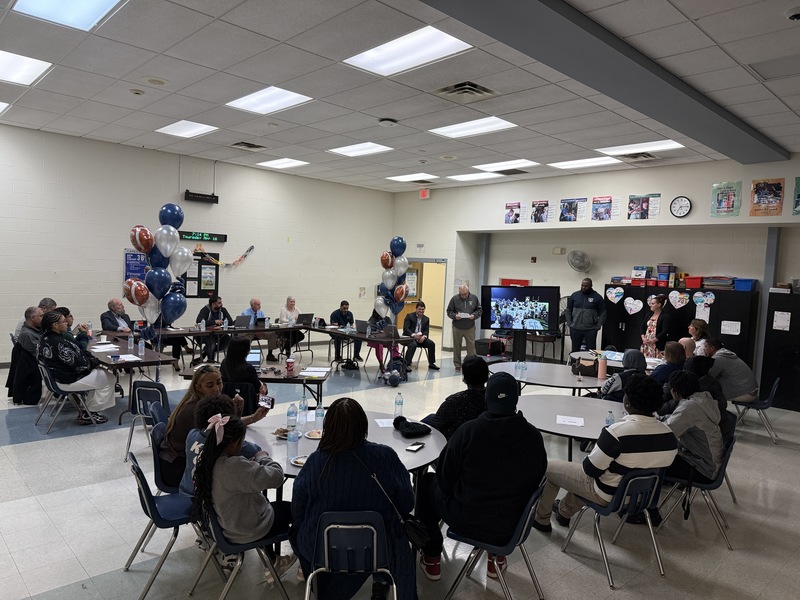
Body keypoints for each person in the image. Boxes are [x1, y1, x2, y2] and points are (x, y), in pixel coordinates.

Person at [416, 372, 546, 582]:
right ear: (516, 400)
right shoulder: (533, 436)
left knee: (426, 485)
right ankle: (497, 557)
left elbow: (444, 478)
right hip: (511, 525)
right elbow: (537, 478)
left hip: (467, 521)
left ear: (487, 398)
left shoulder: (468, 432)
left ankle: (431, 557)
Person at [290, 398, 417, 600]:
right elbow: (406, 503)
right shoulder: (385, 456)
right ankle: (381, 581)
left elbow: (297, 508)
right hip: (379, 548)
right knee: (389, 527)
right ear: (363, 426)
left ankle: (321, 584)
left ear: (328, 427)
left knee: (296, 530)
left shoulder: (316, 462)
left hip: (323, 547)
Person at [533, 374, 678, 531]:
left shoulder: (617, 433)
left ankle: (541, 520)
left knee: (550, 468)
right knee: (601, 473)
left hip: (609, 496)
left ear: (627, 402)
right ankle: (564, 512)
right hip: (642, 498)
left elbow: (589, 470)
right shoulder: (669, 436)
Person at [192, 416, 296, 579]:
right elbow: (276, 477)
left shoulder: (207, 460)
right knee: (296, 510)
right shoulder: (234, 467)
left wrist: (249, 465)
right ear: (234, 443)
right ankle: (304, 564)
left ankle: (272, 561)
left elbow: (236, 477)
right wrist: (263, 457)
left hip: (224, 526)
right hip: (246, 530)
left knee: (267, 504)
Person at [159, 365, 267, 488]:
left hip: (179, 460)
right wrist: (246, 416)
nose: (217, 389)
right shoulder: (198, 410)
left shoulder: (200, 403)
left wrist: (251, 416)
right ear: (198, 387)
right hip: (177, 468)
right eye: (210, 385)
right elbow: (225, 433)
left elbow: (224, 425)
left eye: (219, 382)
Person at [36, 310, 116, 425]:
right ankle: (90, 412)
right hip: (66, 380)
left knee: (101, 375)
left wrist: (90, 360)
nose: (67, 324)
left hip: (55, 379)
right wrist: (95, 361)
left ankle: (88, 410)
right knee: (109, 378)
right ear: (55, 325)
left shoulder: (44, 338)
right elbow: (82, 366)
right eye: (64, 322)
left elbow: (78, 357)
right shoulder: (59, 342)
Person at [180, 393, 266, 497]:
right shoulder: (229, 445)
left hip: (186, 493)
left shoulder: (192, 435)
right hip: (211, 504)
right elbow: (256, 450)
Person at [662, 371, 724, 482]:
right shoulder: (704, 400)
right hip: (710, 464)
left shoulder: (689, 408)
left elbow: (665, 434)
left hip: (702, 469)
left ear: (675, 392)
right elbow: (674, 420)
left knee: (653, 459)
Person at [421, 355, 488, 439]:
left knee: (427, 421)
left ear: (465, 378)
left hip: (453, 442)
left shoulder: (455, 401)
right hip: (480, 440)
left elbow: (436, 425)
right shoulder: (493, 400)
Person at [705, 338, 758, 402]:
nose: (704, 349)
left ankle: (714, 411)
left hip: (746, 394)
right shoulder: (726, 354)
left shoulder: (718, 358)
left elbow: (708, 376)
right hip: (751, 390)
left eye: (705, 347)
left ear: (712, 348)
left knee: (707, 393)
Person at [220, 335, 268, 406]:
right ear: (246, 351)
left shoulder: (224, 363)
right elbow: (259, 390)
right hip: (249, 404)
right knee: (264, 388)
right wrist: (263, 384)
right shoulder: (249, 369)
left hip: (228, 404)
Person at [565, 278, 606, 354]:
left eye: (586, 286)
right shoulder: (574, 296)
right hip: (575, 328)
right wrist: (569, 323)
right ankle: (574, 365)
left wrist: (598, 325)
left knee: (591, 351)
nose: (583, 287)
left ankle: (591, 365)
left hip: (590, 329)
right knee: (575, 350)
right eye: (582, 285)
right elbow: (568, 310)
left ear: (591, 286)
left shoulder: (597, 297)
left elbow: (603, 313)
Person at [446, 284, 482, 371]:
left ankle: (471, 365)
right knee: (457, 346)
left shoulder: (474, 298)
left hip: (470, 327)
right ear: (459, 292)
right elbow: (449, 311)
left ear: (468, 292)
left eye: (465, 294)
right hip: (457, 327)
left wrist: (474, 315)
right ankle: (457, 364)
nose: (463, 296)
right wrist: (454, 316)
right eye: (461, 294)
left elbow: (479, 310)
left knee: (471, 348)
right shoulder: (454, 299)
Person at [196, 295, 234, 362]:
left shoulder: (223, 310)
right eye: (219, 303)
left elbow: (230, 321)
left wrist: (222, 324)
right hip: (205, 334)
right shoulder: (205, 310)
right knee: (211, 342)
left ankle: (206, 351)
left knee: (229, 340)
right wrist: (214, 322)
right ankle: (211, 361)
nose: (222, 304)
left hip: (218, 333)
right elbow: (199, 321)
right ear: (213, 305)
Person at [402, 302, 439, 371]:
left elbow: (426, 330)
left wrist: (424, 337)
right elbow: (406, 329)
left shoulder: (426, 319)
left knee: (431, 344)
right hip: (410, 337)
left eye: (422, 309)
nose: (421, 311)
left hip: (420, 338)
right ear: (416, 309)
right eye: (419, 309)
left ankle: (431, 363)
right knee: (413, 345)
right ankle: (407, 364)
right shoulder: (409, 316)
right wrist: (414, 335)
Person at [241, 298, 279, 362]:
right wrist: (256, 331)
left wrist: (262, 329)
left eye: (260, 304)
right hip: (249, 332)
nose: (260, 306)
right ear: (252, 305)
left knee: (272, 333)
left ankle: (270, 354)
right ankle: (244, 356)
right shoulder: (245, 313)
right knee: (245, 339)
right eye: (258, 305)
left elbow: (262, 323)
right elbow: (247, 326)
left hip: (260, 331)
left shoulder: (260, 312)